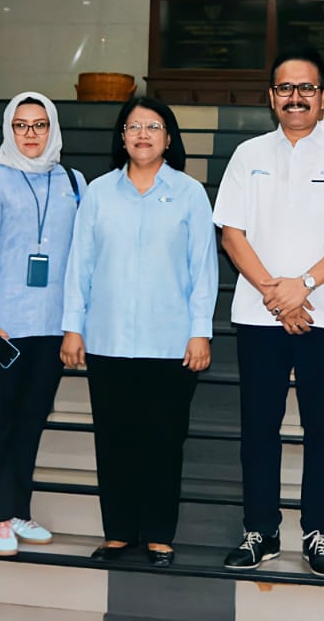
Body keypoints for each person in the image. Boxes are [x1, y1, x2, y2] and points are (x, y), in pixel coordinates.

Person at [213, 47, 324, 578]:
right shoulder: (248, 155)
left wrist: (302, 286)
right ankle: (260, 530)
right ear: (271, 97)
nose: (296, 97)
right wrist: (275, 293)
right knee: (258, 427)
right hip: (260, 314)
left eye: (306, 88)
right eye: (285, 88)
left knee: (323, 429)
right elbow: (232, 234)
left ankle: (318, 531)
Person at [60, 97, 217, 568]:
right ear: (122, 136)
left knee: (164, 441)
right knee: (113, 440)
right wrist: (73, 327)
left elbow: (203, 268)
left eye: (153, 127)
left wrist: (200, 331)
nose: (143, 135)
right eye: (134, 127)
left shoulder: (189, 193)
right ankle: (119, 532)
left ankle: (159, 535)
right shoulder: (99, 193)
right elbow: (80, 264)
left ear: (168, 138)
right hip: (106, 339)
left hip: (171, 343)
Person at [0, 92, 86, 556]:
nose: (30, 134)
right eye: (21, 125)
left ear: (52, 128)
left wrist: (75, 323)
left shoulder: (73, 181)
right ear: (9, 130)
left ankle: (17, 508)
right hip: (5, 327)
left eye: (39, 125)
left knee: (32, 420)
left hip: (52, 326)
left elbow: (80, 259)